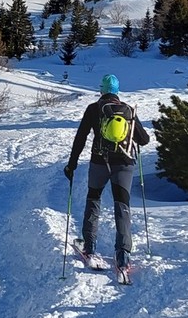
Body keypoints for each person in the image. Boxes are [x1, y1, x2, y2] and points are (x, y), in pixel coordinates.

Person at [64, 73, 150, 280]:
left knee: (93, 200)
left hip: (99, 163)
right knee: (122, 206)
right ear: (117, 92)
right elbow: (144, 139)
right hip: (125, 165)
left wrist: (72, 164)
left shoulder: (94, 109)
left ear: (101, 90)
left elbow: (81, 137)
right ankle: (123, 256)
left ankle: (90, 247)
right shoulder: (129, 110)